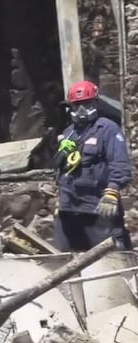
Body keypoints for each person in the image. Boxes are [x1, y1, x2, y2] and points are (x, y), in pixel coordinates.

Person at [53, 80, 132, 251]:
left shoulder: (108, 129)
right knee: (68, 259)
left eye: (86, 104)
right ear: (70, 107)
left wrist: (112, 192)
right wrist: (60, 201)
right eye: (77, 106)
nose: (81, 110)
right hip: (70, 210)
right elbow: (62, 170)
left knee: (111, 258)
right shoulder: (69, 133)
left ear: (95, 103)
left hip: (98, 209)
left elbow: (120, 164)